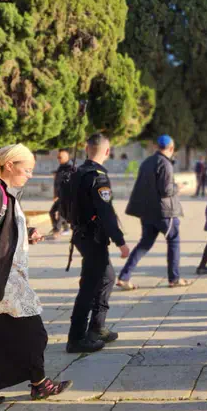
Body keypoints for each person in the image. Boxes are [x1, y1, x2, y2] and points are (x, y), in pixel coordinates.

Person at [0, 144, 72, 409]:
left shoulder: (3, 192)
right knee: (34, 333)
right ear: (9, 165)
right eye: (27, 169)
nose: (30, 175)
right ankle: (38, 383)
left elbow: (1, 229)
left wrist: (28, 231)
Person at [67, 134, 130, 353]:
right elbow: (106, 212)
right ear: (107, 151)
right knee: (90, 286)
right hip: (93, 238)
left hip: (81, 235)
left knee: (107, 277)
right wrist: (120, 241)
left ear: (86, 149)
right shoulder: (98, 177)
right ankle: (77, 338)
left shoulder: (77, 172)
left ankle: (97, 326)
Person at [118, 135, 189, 289]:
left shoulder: (147, 162)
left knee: (144, 244)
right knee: (174, 241)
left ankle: (124, 276)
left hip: (147, 212)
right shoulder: (166, 164)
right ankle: (174, 279)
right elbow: (166, 190)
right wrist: (178, 187)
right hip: (164, 213)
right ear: (171, 148)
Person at [49, 149, 74, 239]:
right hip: (60, 195)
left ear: (67, 157)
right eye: (58, 157)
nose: (58, 159)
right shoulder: (61, 167)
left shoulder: (71, 168)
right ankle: (66, 228)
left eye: (60, 157)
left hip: (66, 196)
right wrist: (55, 194)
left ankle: (56, 230)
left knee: (61, 214)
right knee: (52, 212)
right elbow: (57, 183)